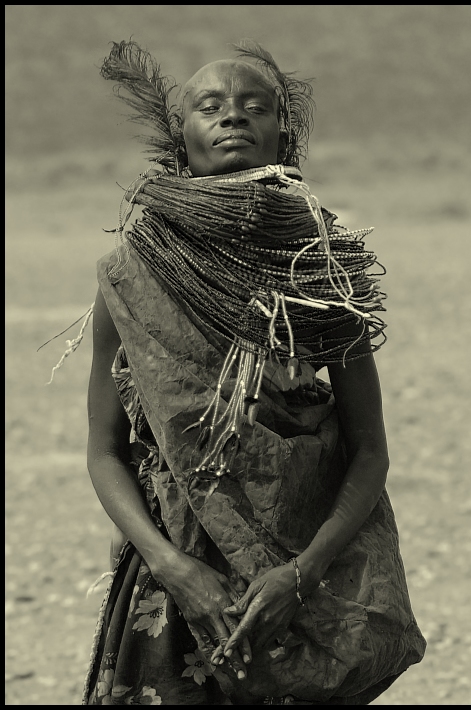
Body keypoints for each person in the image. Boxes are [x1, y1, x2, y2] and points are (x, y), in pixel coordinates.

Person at [81, 40, 425, 705]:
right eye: (210, 107)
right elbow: (104, 453)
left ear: (281, 136)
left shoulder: (321, 266)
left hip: (303, 564)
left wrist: (303, 572)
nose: (232, 117)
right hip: (174, 567)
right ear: (179, 142)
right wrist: (171, 566)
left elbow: (370, 448)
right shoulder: (132, 272)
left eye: (253, 107)